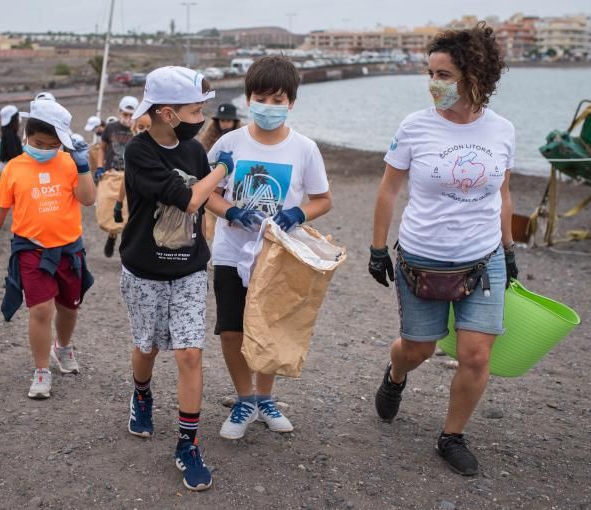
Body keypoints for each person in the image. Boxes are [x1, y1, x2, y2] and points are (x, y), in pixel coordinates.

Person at [367, 23, 518, 477]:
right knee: (419, 349)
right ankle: (396, 375)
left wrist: (508, 249)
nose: (434, 83)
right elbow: (388, 191)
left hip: (483, 256)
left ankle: (451, 435)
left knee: (475, 354)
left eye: (445, 74)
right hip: (421, 257)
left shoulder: (502, 130)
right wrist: (378, 249)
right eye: (430, 73)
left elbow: (504, 195)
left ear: (476, 75)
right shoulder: (415, 127)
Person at [204, 55, 332, 440]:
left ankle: (265, 397)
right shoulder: (229, 143)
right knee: (232, 329)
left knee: (269, 328)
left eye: (279, 100)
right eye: (262, 98)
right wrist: (231, 211)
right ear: (248, 99)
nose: (270, 107)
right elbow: (206, 192)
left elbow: (323, 199)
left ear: (291, 103)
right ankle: (244, 399)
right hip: (230, 253)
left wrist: (297, 213)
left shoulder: (305, 148)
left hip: (278, 256)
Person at [121, 66, 230, 491]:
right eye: (195, 108)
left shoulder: (193, 153)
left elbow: (206, 202)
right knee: (146, 347)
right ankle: (142, 394)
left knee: (188, 354)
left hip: (188, 269)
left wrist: (237, 213)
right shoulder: (139, 152)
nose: (201, 114)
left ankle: (187, 443)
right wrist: (220, 170)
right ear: (168, 113)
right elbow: (187, 199)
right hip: (145, 270)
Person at [0, 98, 95, 399]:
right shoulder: (14, 168)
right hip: (32, 249)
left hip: (69, 249)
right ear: (26, 135)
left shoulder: (68, 162)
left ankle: (63, 348)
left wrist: (83, 166)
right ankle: (41, 369)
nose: (43, 149)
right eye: (38, 142)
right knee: (41, 309)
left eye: (51, 144)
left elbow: (88, 198)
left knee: (70, 307)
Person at [98, 95, 139, 258]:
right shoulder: (110, 127)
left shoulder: (138, 130)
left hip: (129, 176)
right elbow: (102, 148)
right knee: (108, 209)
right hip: (111, 174)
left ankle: (127, 248)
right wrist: (100, 167)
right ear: (119, 111)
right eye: (125, 113)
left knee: (128, 213)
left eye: (131, 115)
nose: (127, 118)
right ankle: (112, 236)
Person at [199, 102, 242, 240]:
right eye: (222, 120)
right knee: (210, 226)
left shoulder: (241, 140)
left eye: (228, 120)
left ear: (234, 122)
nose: (225, 123)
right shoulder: (208, 140)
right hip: (213, 187)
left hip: (233, 188)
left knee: (231, 225)